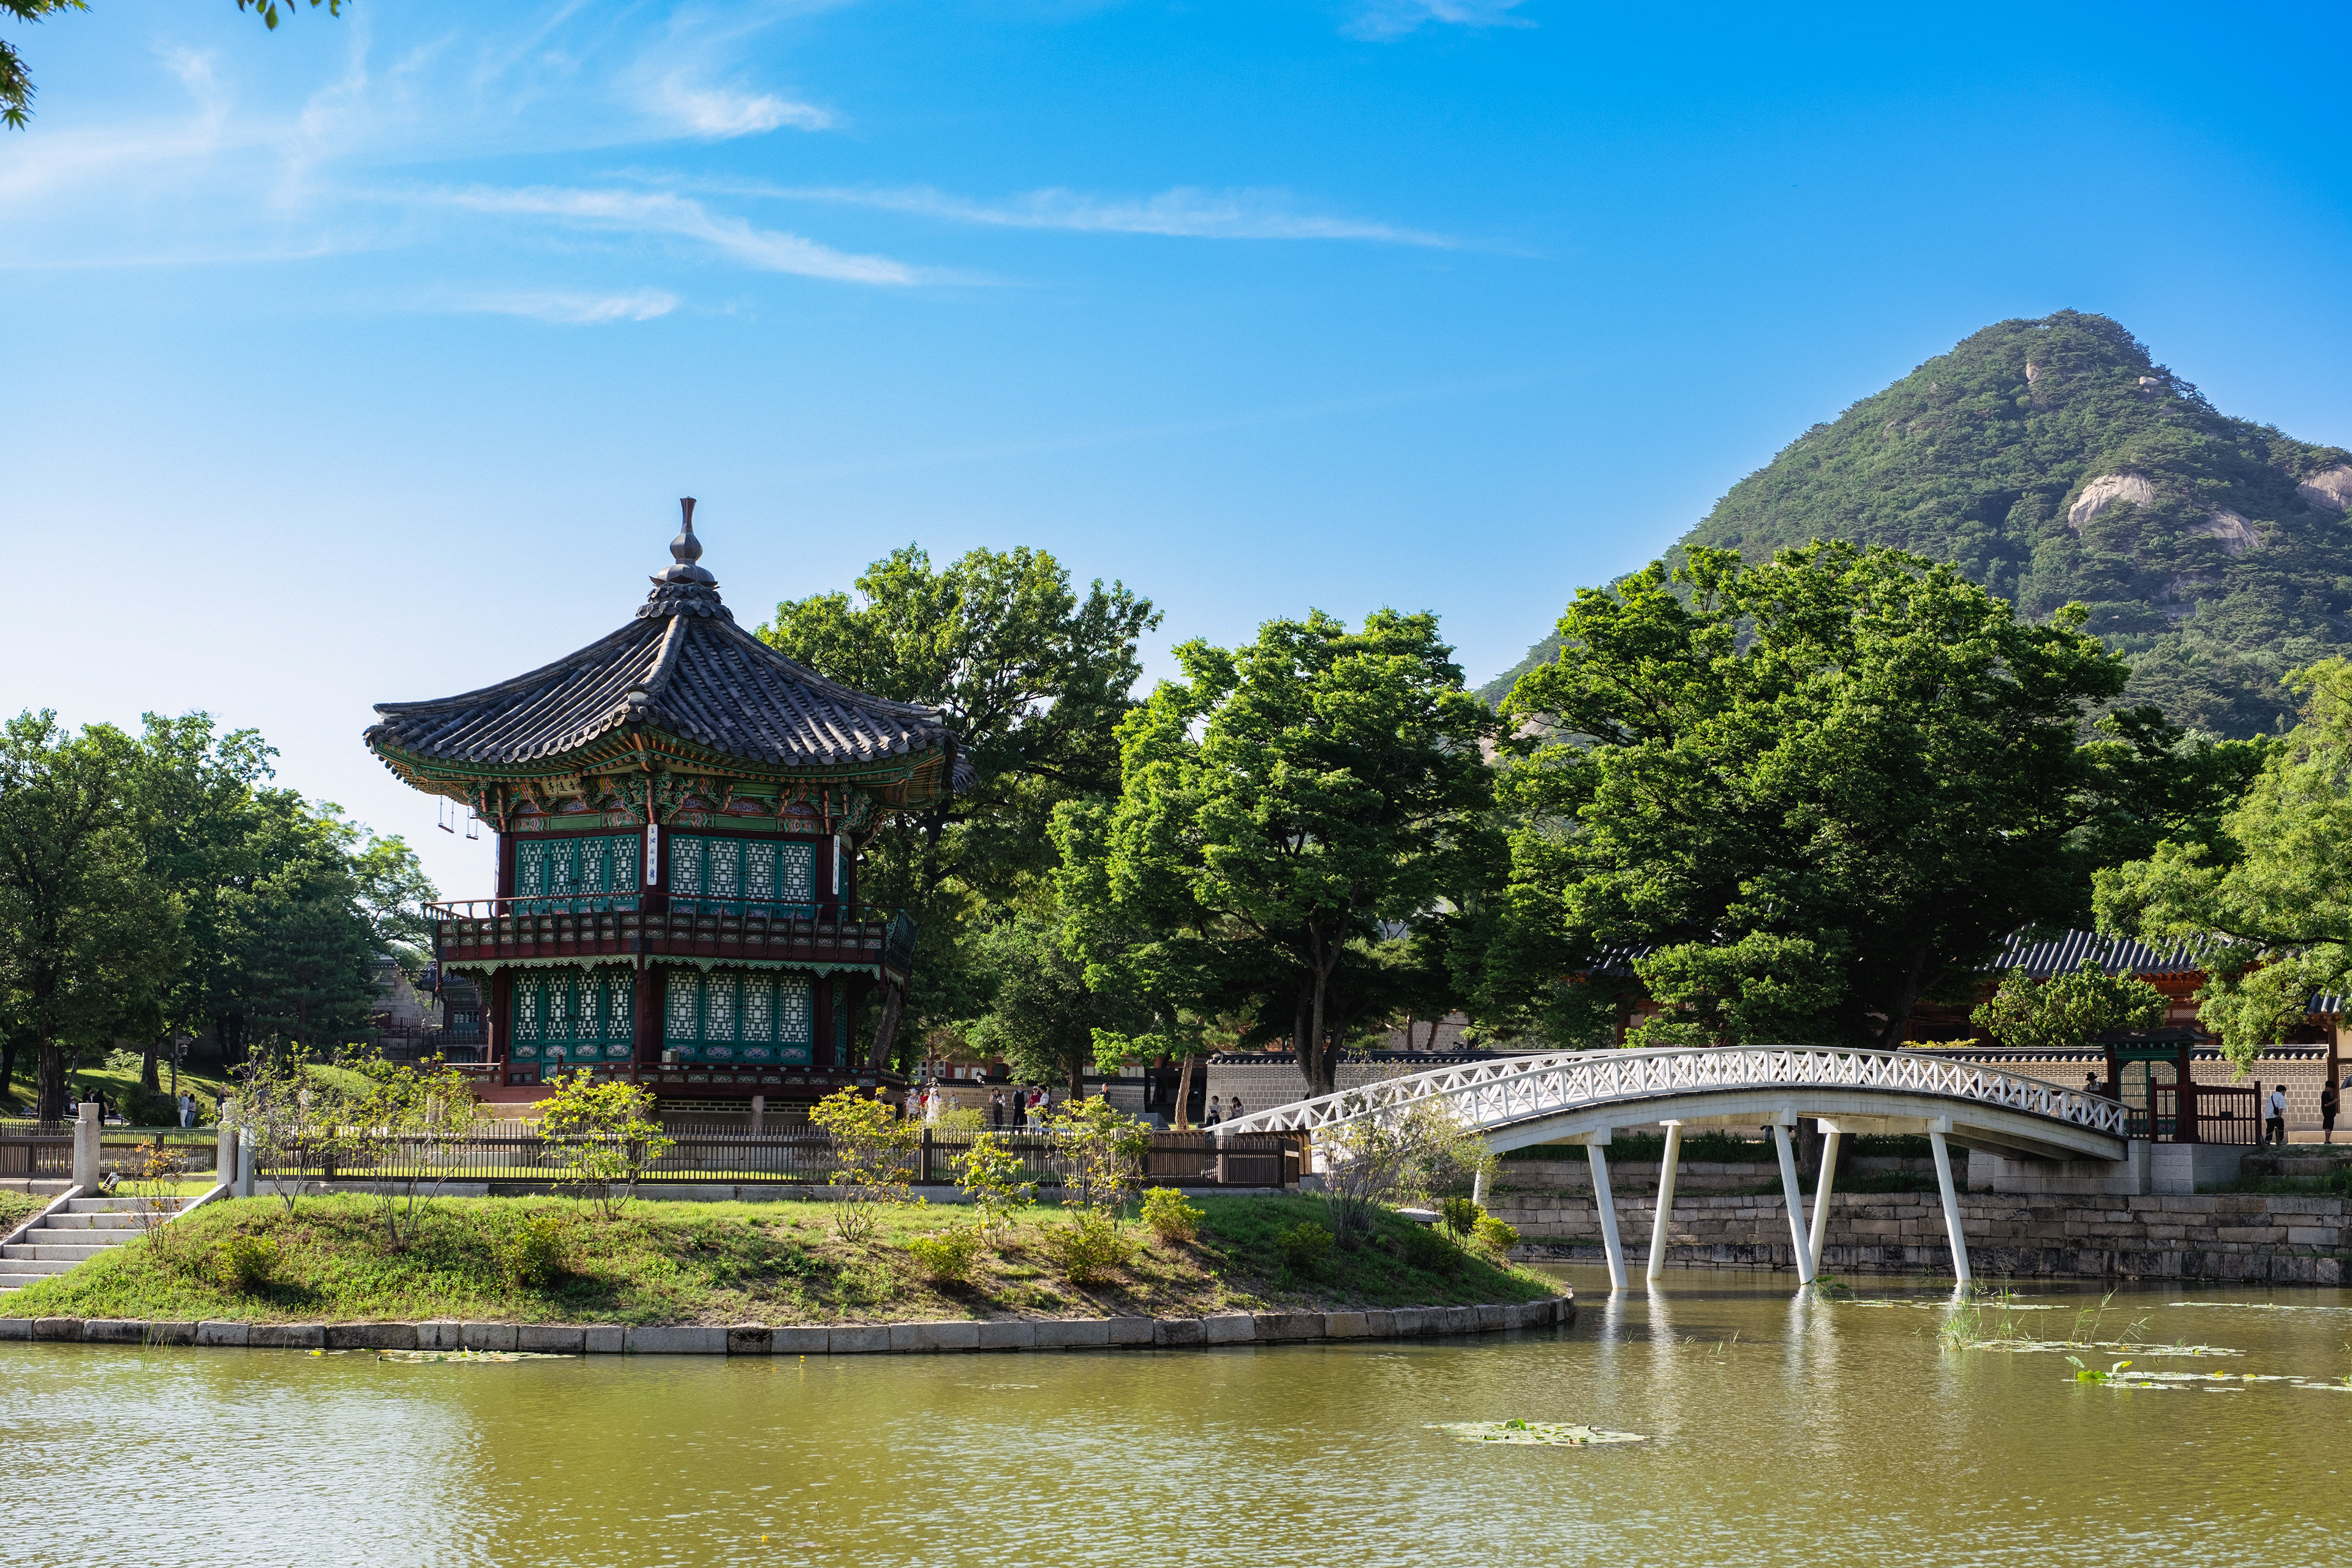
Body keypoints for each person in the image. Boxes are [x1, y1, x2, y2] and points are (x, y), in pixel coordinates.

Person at [2266, 1082, 2289, 1146]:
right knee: (2281, 1126)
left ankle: (2267, 1140)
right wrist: (2279, 1114)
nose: (2284, 1094)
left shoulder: (2270, 1097)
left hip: (2268, 1115)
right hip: (2275, 1115)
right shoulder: (2280, 1096)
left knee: (2270, 1128)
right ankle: (2280, 1140)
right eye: (2284, 1092)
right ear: (2282, 1091)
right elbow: (2281, 1106)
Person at [2323, 1079, 2340, 1145]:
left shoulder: (2329, 1094)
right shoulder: (2325, 1094)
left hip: (2331, 1113)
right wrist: (2334, 1101)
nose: (2332, 1090)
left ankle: (2328, 1140)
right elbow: (2326, 1104)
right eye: (2331, 1088)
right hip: (2327, 1113)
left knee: (2330, 1127)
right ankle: (2327, 1141)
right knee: (2328, 1127)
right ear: (2328, 1087)